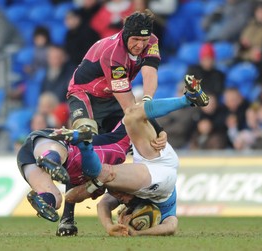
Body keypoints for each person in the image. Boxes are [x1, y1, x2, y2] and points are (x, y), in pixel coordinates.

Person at [55, 75, 209, 236]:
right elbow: (171, 227)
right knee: (106, 170)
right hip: (161, 180)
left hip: (149, 165)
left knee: (131, 116)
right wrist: (139, 234)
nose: (121, 220)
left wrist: (109, 226)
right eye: (124, 220)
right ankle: (187, 100)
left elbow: (101, 205)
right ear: (133, 214)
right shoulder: (161, 210)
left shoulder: (121, 195)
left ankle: (75, 152)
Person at [59, 10, 164, 236]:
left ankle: (126, 199)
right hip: (85, 96)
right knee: (82, 147)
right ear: (125, 35)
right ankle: (66, 218)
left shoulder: (151, 42)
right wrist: (156, 127)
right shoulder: (113, 54)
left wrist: (148, 101)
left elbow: (150, 74)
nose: (140, 45)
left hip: (113, 98)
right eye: (135, 39)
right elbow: (129, 107)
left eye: (144, 40)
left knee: (121, 149)